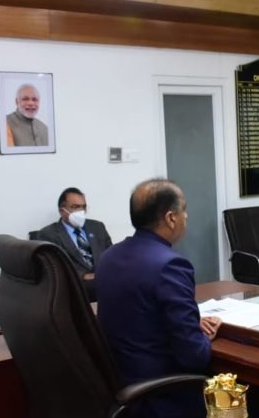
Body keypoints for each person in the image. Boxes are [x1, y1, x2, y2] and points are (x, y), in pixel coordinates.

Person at [96, 178, 221, 418]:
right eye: (184, 210)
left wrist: (190, 324)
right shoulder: (170, 265)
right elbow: (194, 356)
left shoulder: (109, 256)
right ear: (171, 218)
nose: (186, 216)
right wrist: (202, 335)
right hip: (163, 397)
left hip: (121, 388)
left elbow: (138, 316)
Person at [35, 187, 112, 302]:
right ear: (62, 210)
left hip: (103, 277)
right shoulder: (48, 234)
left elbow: (111, 254)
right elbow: (52, 267)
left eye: (83, 207)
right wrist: (83, 275)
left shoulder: (97, 227)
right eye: (75, 207)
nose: (81, 211)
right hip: (76, 284)